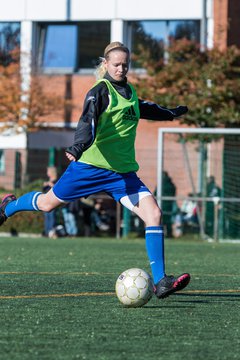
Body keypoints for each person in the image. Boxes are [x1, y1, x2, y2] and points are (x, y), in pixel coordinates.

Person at [0, 41, 190, 299]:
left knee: (154, 214)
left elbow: (142, 108)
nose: (121, 68)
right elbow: (87, 120)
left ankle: (161, 283)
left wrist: (170, 113)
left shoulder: (130, 91)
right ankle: (8, 207)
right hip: (90, 167)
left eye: (125, 64)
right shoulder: (100, 91)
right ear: (106, 64)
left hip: (122, 174)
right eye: (116, 64)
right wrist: (78, 146)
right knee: (46, 204)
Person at [42, 166, 58, 238]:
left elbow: (57, 189)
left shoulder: (56, 181)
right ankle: (46, 232)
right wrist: (45, 185)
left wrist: (51, 185)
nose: (47, 173)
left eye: (48, 171)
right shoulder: (48, 181)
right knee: (46, 217)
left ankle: (51, 232)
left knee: (52, 217)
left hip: (52, 202)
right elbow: (44, 191)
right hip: (46, 201)